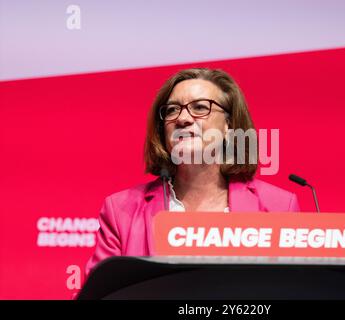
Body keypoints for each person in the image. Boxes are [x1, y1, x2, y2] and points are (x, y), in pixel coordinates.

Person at [85, 68, 300, 275]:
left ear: (229, 124)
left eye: (199, 107)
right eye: (172, 110)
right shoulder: (121, 211)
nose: (182, 118)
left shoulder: (279, 207)